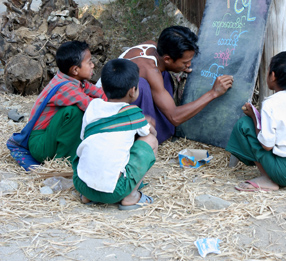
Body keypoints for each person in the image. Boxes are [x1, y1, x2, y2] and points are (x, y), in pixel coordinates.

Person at [98, 26, 234, 143]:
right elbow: (175, 117)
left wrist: (180, 66)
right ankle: (142, 135)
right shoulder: (150, 70)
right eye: (185, 62)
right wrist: (213, 93)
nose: (189, 65)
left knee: (163, 75)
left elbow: (163, 67)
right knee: (144, 84)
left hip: (116, 94)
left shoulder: (152, 46)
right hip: (109, 115)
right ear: (168, 59)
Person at [226, 51, 286, 192]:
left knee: (243, 125)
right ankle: (275, 175)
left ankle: (267, 179)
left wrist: (253, 116)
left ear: (273, 76)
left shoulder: (271, 104)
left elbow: (266, 145)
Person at [73, 59, 158, 210]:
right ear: (133, 91)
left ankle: (88, 196)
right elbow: (150, 133)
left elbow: (84, 137)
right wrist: (148, 124)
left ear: (103, 88)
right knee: (151, 140)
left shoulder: (93, 106)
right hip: (114, 192)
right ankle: (131, 196)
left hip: (81, 184)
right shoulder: (133, 113)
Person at [28, 41, 105, 164]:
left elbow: (100, 93)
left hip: (48, 138)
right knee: (74, 112)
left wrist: (112, 97)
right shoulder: (66, 88)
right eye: (89, 62)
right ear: (75, 69)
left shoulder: (73, 79)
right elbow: (93, 107)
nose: (93, 65)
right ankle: (64, 162)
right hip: (40, 145)